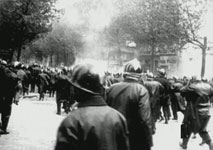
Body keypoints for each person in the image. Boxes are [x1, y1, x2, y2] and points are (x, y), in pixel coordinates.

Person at [55, 63, 130, 150]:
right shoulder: (119, 118)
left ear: (79, 89)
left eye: (74, 87)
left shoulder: (72, 121)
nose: (73, 90)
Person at [106, 59, 153, 150]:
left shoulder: (111, 88)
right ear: (140, 76)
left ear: (124, 74)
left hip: (113, 135)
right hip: (133, 138)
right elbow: (145, 119)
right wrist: (148, 143)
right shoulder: (141, 90)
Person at [180, 79, 213, 150]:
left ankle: (184, 144)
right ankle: (210, 144)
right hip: (206, 110)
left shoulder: (192, 86)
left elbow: (182, 92)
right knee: (202, 129)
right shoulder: (208, 86)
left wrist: (187, 84)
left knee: (186, 126)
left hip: (193, 110)